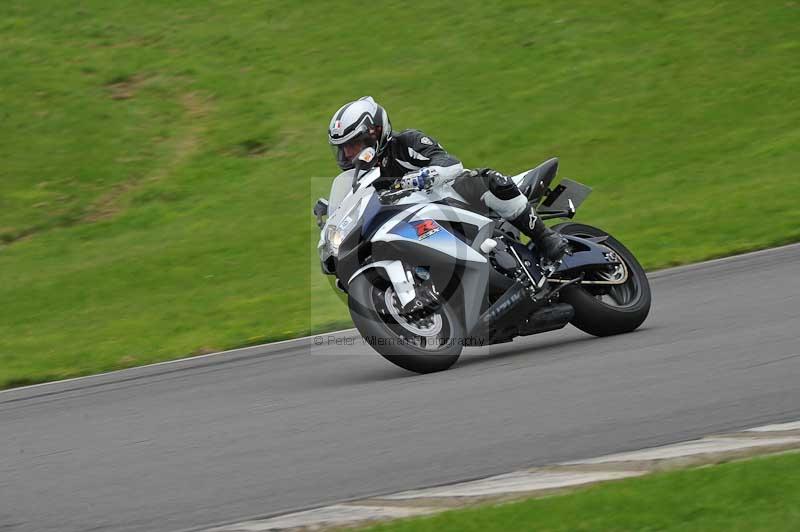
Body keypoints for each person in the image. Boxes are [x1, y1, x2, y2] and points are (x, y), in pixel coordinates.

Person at [327, 96, 568, 263]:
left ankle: (545, 237)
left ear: (376, 133)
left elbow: (449, 163)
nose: (348, 153)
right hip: (417, 224)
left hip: (455, 201)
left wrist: (423, 176)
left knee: (483, 180)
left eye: (353, 144)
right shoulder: (360, 177)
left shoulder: (406, 143)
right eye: (343, 148)